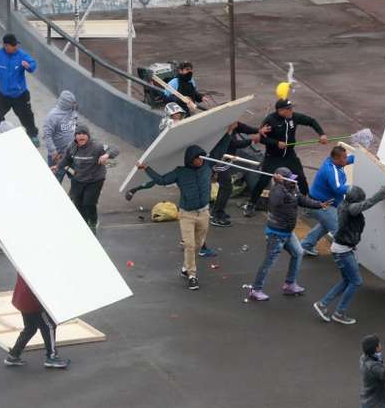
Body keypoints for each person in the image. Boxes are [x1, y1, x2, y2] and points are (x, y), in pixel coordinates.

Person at [128, 130, 232, 291]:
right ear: (190, 160)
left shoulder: (207, 165)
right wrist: (146, 168)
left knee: (198, 245)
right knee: (190, 245)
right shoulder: (180, 172)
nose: (200, 161)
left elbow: (219, 152)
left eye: (202, 157)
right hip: (187, 215)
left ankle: (186, 266)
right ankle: (192, 275)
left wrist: (229, 133)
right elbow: (162, 181)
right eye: (198, 158)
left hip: (204, 213)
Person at [313, 178, 385, 324]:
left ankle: (323, 304)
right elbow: (369, 202)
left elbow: (366, 203)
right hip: (343, 251)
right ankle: (339, 313)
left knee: (347, 280)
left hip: (342, 248)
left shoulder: (344, 205)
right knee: (356, 282)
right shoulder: (352, 209)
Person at [248, 167, 330, 301]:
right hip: (276, 234)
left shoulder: (292, 189)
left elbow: (302, 200)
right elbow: (275, 203)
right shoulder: (276, 191)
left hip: (287, 232)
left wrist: (319, 205)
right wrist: (279, 184)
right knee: (268, 263)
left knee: (298, 253)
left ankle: (290, 284)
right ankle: (255, 290)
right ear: (281, 180)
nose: (294, 181)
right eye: (290, 179)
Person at [243, 99, 327, 217]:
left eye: (291, 108)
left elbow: (311, 121)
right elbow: (261, 138)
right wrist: (276, 143)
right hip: (273, 157)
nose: (291, 111)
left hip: (289, 156)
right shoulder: (270, 120)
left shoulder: (294, 117)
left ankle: (307, 204)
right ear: (280, 110)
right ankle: (251, 204)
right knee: (263, 180)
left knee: (301, 178)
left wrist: (321, 134)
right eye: (288, 109)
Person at [53, 124, 119, 234]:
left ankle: (93, 222)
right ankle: (84, 223)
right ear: (75, 136)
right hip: (78, 178)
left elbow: (115, 149)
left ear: (88, 135)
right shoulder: (72, 147)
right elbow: (66, 159)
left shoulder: (97, 146)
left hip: (95, 179)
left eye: (83, 134)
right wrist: (57, 166)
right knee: (77, 203)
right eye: (78, 134)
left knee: (88, 203)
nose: (81, 136)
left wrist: (106, 155)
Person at [3, 274, 70, 369]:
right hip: (33, 303)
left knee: (30, 328)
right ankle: (52, 357)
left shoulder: (25, 262)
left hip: (23, 299)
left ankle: (13, 355)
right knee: (49, 326)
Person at [0, 33, 39, 144]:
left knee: (27, 117)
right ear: (6, 46)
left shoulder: (21, 54)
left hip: (20, 95)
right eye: (13, 45)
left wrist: (29, 66)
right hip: (3, 95)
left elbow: (33, 64)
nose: (16, 47)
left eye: (16, 44)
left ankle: (33, 135)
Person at [300, 145, 354, 256]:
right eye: (344, 158)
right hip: (320, 205)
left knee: (326, 224)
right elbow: (338, 188)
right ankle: (346, 257)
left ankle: (306, 245)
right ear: (336, 159)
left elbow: (350, 159)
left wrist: (365, 158)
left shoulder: (336, 162)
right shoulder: (330, 170)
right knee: (339, 229)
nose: (346, 159)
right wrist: (355, 190)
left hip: (326, 203)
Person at [210, 121, 264, 227]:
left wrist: (258, 130)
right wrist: (252, 140)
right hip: (220, 160)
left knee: (225, 187)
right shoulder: (222, 131)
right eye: (234, 121)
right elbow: (234, 143)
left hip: (227, 160)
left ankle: (217, 210)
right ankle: (217, 214)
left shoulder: (233, 125)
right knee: (226, 187)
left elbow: (244, 128)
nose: (237, 123)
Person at [42, 90, 78, 183]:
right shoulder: (52, 116)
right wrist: (54, 153)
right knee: (55, 181)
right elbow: (47, 135)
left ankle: (75, 196)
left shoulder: (73, 112)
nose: (75, 105)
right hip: (58, 156)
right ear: (66, 103)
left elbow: (75, 127)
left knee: (76, 177)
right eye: (73, 103)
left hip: (72, 154)